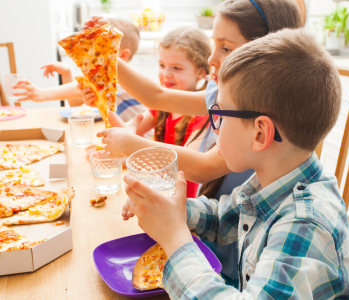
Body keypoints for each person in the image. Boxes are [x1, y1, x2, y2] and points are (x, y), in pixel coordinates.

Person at [122, 28, 349, 299]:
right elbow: (223, 218)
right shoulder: (274, 179)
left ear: (260, 133)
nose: (215, 127)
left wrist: (174, 237)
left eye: (220, 114)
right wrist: (171, 210)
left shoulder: (304, 224)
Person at [86, 0, 303, 287]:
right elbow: (157, 97)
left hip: (239, 256)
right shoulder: (228, 91)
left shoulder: (263, 113)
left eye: (226, 48)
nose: (212, 59)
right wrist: (107, 51)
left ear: (265, 52)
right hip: (223, 223)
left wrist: (135, 145)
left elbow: (202, 167)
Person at [84, 27, 211, 197]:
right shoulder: (161, 109)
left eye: (176, 68)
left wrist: (131, 150)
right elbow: (125, 131)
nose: (166, 74)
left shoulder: (203, 116)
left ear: (200, 72)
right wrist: (102, 105)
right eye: (162, 65)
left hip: (181, 203)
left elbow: (190, 163)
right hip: (155, 191)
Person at [12, 18, 147, 123]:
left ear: (122, 55)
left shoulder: (124, 82)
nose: (94, 55)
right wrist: (67, 74)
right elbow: (76, 104)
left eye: (101, 50)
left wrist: (42, 94)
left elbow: (89, 84)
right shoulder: (109, 85)